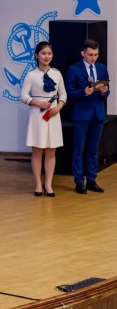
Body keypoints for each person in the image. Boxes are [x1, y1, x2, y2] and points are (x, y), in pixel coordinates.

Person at [20, 42, 66, 197]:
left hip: (53, 114)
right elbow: (23, 95)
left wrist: (58, 107)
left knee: (51, 150)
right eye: (43, 53)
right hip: (37, 115)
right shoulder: (31, 75)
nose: (47, 56)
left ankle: (49, 184)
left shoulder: (57, 73)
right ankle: (38, 183)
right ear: (36, 55)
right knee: (37, 150)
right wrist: (39, 103)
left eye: (49, 53)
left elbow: (63, 94)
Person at [65, 39, 110, 194]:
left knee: (93, 150)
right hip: (81, 115)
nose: (93, 58)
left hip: (98, 114)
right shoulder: (74, 69)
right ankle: (79, 181)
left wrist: (104, 91)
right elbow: (69, 93)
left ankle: (91, 179)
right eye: (90, 54)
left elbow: (107, 91)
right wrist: (83, 92)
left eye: (96, 54)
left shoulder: (102, 68)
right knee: (79, 149)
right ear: (83, 53)